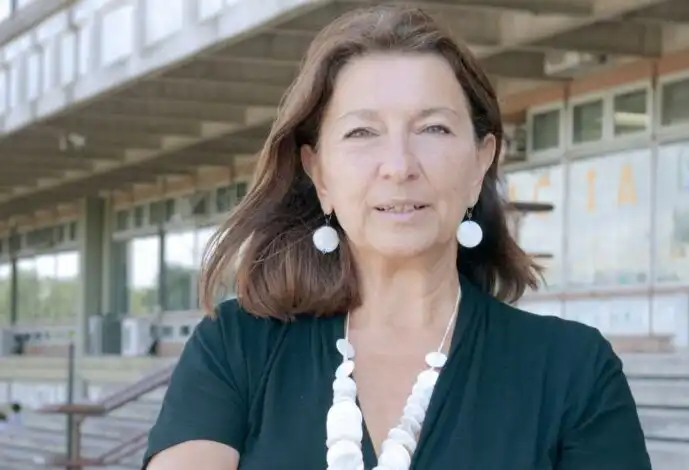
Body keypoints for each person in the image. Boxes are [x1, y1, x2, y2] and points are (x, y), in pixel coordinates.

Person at [144, 5, 651, 470]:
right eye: (362, 133)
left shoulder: (572, 370)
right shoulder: (237, 348)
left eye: (433, 129)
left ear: (480, 163)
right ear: (319, 174)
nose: (399, 165)